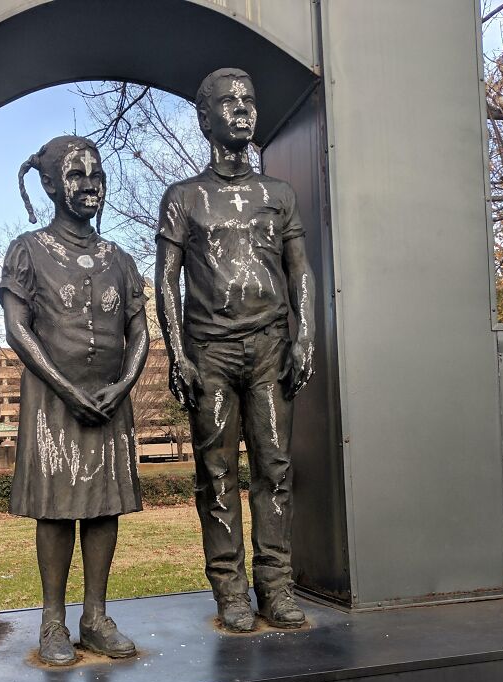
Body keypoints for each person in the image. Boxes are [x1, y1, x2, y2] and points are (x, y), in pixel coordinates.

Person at [155, 69, 315, 633]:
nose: (243, 109)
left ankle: (276, 585)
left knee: (274, 469)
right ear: (205, 120)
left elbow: (300, 274)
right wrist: (178, 354)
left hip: (271, 346)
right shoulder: (183, 198)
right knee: (216, 473)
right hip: (211, 352)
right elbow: (166, 281)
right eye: (229, 103)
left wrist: (305, 337)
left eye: (250, 99)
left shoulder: (279, 195)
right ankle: (230, 590)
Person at [0, 136, 149, 664]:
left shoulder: (121, 259)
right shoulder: (29, 249)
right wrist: (66, 389)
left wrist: (123, 385)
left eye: (97, 174)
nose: (90, 185)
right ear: (49, 185)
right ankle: (53, 622)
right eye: (76, 175)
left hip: (109, 403)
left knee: (104, 507)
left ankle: (96, 616)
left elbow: (140, 330)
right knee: (58, 512)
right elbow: (18, 328)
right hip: (53, 403)